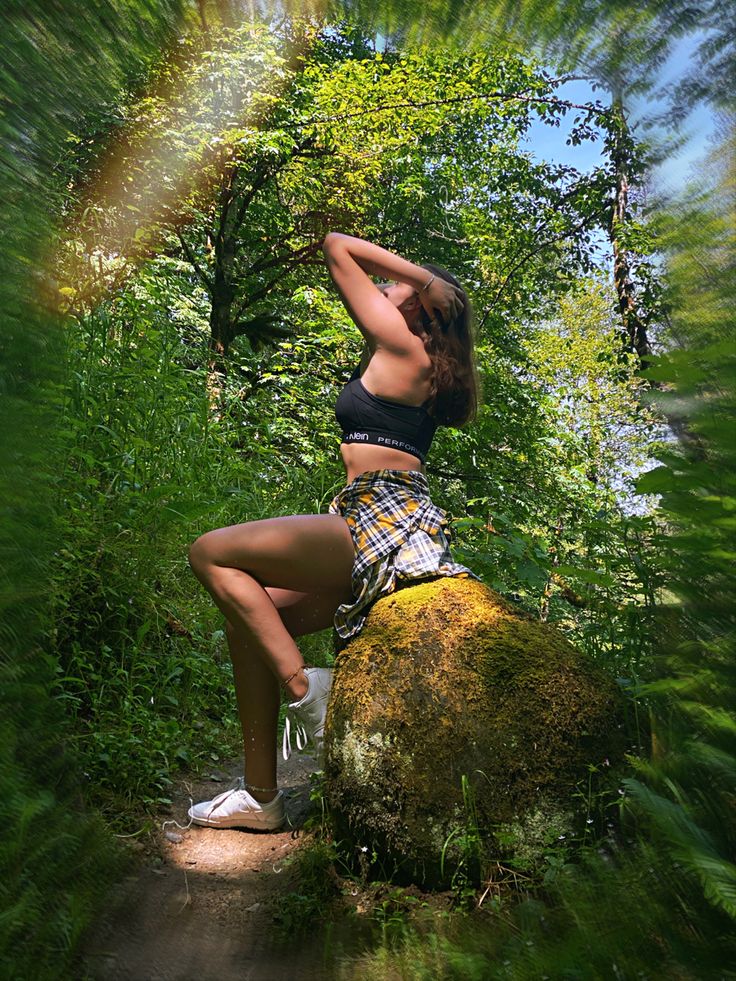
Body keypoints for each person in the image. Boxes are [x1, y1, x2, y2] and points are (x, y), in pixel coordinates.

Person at [187, 232, 482, 830]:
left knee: (210, 554)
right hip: (380, 515)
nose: (383, 285)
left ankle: (306, 693)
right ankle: (262, 798)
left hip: (379, 514)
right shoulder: (422, 360)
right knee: (250, 619)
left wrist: (424, 279)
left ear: (423, 305)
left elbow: (336, 245)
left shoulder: (402, 343)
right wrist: (416, 284)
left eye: (396, 282)